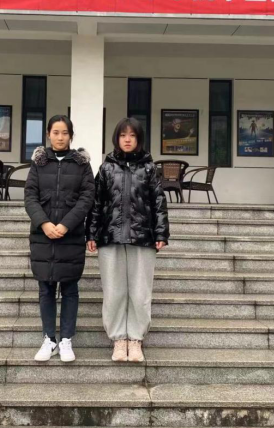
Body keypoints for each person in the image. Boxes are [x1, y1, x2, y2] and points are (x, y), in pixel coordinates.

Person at [86, 117, 170, 363]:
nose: (127, 139)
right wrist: (91, 233)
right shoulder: (106, 168)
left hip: (142, 237)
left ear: (139, 139)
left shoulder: (149, 168)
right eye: (123, 135)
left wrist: (161, 233)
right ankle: (118, 339)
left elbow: (159, 202)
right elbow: (96, 204)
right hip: (110, 237)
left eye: (132, 135)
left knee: (140, 292)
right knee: (113, 292)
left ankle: (135, 339)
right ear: (116, 138)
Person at [24, 115, 95, 363]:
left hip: (70, 235)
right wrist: (44, 223)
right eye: (56, 132)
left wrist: (66, 224)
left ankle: (66, 339)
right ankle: (49, 339)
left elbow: (87, 198)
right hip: (42, 236)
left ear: (71, 136)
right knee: (45, 288)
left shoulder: (82, 164)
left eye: (65, 133)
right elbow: (30, 196)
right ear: (48, 134)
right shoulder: (39, 163)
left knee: (70, 289)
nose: (60, 137)